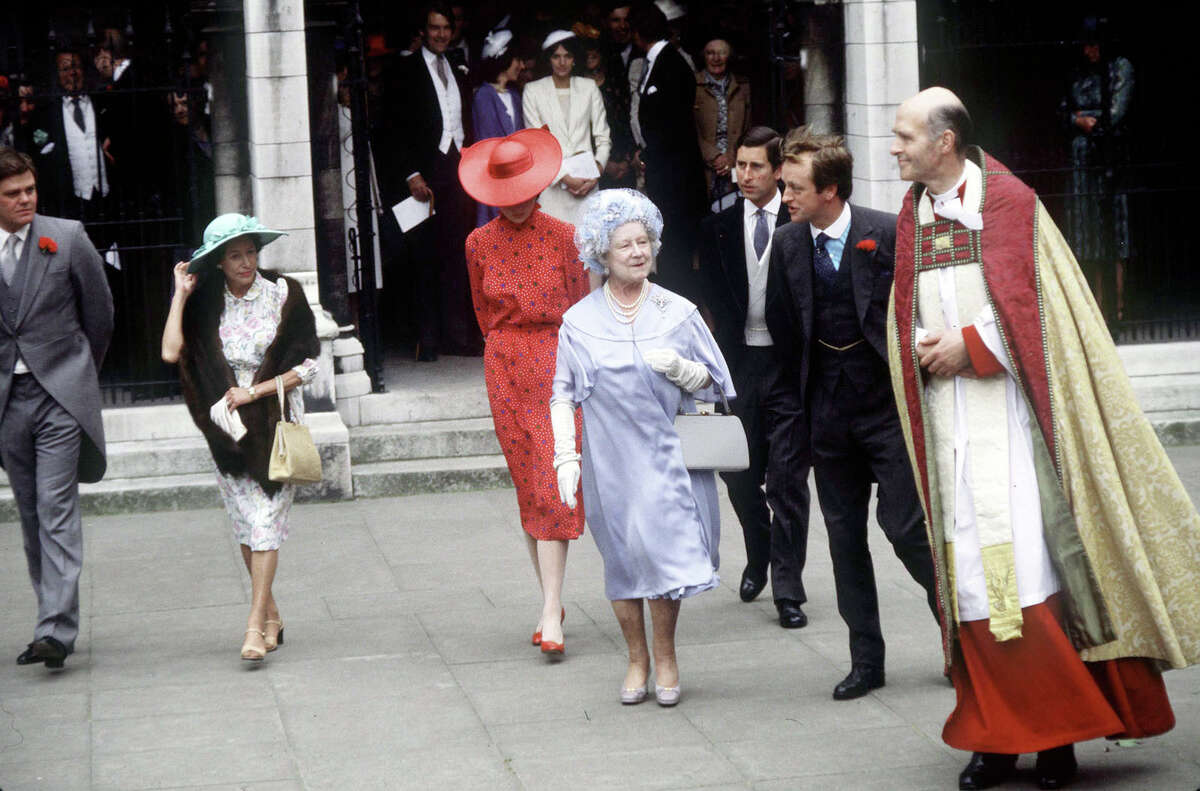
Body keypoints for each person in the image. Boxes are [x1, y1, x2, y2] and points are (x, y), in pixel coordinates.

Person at [888, 87, 1200, 790]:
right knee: (969, 581)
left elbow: (1045, 317)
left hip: (1013, 428)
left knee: (1022, 579)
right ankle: (996, 740)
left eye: (906, 135)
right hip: (950, 430)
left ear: (945, 142)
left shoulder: (1011, 206)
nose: (895, 147)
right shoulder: (914, 215)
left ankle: (1054, 738)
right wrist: (919, 347)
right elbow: (901, 311)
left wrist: (971, 346)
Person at [764, 127, 937, 700]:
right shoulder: (788, 245)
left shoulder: (885, 233)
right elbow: (786, 336)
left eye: (794, 188)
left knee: (907, 528)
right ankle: (866, 660)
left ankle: (962, 639)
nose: (784, 197)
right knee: (843, 538)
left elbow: (916, 312)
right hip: (826, 415)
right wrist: (797, 421)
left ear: (830, 190)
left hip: (885, 409)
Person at [551, 188, 735, 706]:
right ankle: (636, 659)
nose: (637, 251)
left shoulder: (677, 311)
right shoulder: (579, 321)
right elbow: (561, 393)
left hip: (665, 454)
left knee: (664, 555)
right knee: (625, 559)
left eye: (643, 241)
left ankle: (667, 655)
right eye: (623, 244)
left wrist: (684, 370)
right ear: (600, 255)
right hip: (609, 459)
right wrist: (566, 457)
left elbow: (717, 387)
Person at [161, 213, 320, 662]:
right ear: (217, 262)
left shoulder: (284, 293)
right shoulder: (205, 302)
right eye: (235, 255)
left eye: (251, 251)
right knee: (247, 527)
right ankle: (271, 613)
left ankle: (253, 625)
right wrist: (180, 295)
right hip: (227, 432)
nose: (246, 262)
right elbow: (171, 351)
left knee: (265, 520)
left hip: (274, 423)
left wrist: (256, 390)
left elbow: (309, 365)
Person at [459, 128, 591, 655]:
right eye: (506, 198)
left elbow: (582, 307)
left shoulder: (565, 236)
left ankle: (549, 612)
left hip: (557, 360)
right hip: (507, 364)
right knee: (529, 485)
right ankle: (550, 603)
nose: (516, 206)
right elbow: (482, 313)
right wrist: (506, 351)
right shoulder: (477, 243)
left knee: (555, 479)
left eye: (524, 194)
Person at [0, 147, 113, 670]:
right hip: (6, 404)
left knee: (55, 505)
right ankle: (49, 617)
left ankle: (56, 630)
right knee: (28, 511)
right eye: (12, 194)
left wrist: (77, 373)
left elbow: (101, 313)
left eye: (30, 189)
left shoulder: (65, 237)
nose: (25, 200)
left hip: (60, 398)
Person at [696, 126, 809, 629]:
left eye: (755, 166)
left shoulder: (800, 219)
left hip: (787, 368)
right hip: (738, 367)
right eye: (739, 165)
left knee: (786, 480)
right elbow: (707, 296)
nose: (744, 175)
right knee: (738, 474)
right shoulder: (716, 223)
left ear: (778, 169)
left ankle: (788, 588)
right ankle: (759, 552)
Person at [389, 2, 479, 360]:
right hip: (424, 174)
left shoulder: (459, 68)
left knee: (458, 254)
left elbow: (465, 120)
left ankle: (458, 336)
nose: (441, 34)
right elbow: (392, 127)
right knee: (423, 257)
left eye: (446, 28)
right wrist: (411, 174)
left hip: (458, 170)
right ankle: (427, 339)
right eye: (435, 28)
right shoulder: (405, 70)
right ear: (424, 31)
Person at [629, 4, 707, 303]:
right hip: (666, 173)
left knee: (676, 249)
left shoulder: (671, 64)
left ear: (638, 33)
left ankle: (678, 307)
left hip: (677, 178)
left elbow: (673, 125)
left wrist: (648, 155)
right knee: (667, 245)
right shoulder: (660, 61)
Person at [1061, 16, 1134, 322]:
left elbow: (1117, 111)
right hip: (1082, 164)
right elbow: (1063, 110)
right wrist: (1078, 120)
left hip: (1109, 158)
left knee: (1115, 233)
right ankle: (1097, 307)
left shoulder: (1121, 68)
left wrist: (1090, 119)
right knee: (1087, 233)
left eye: (1093, 45)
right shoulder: (1079, 74)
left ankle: (1119, 308)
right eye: (1086, 46)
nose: (1089, 52)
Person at [521, 31, 611, 225]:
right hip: (553, 188)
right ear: (549, 59)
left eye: (567, 56)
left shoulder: (589, 87)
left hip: (588, 184)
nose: (562, 62)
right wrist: (565, 177)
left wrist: (596, 170)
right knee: (553, 250)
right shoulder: (533, 90)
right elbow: (537, 143)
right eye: (556, 56)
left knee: (589, 250)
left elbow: (603, 137)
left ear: (574, 59)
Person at [471, 29, 526, 227]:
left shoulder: (514, 95)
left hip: (517, 183)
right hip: (496, 183)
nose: (522, 65)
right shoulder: (484, 96)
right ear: (504, 60)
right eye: (517, 60)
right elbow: (489, 145)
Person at [693, 37, 750, 204]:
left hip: (734, 160)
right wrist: (714, 156)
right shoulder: (693, 84)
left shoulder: (743, 85)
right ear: (703, 57)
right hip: (703, 163)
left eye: (721, 53)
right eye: (710, 53)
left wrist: (731, 157)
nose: (716, 58)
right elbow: (690, 128)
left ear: (730, 56)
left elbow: (748, 128)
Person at [581, 36, 635, 190]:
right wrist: (604, 164)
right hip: (594, 161)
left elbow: (627, 120)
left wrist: (626, 159)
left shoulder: (615, 84)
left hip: (623, 156)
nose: (590, 59)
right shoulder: (577, 88)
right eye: (586, 55)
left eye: (594, 54)